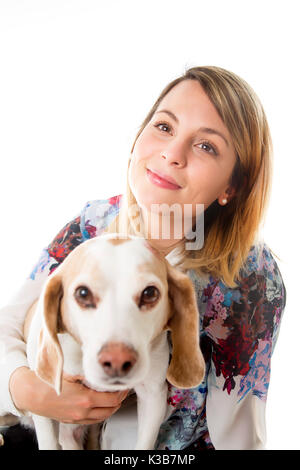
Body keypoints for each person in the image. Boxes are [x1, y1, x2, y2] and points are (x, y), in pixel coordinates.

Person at [0, 66, 286, 450]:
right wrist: (26, 390)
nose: (172, 153)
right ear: (137, 138)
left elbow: (239, 430)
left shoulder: (250, 278)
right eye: (165, 127)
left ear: (232, 185)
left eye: (206, 146)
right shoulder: (90, 225)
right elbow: (10, 326)